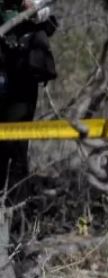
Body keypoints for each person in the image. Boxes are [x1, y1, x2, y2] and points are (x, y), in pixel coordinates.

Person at [0, 0, 56, 198]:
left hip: (21, 69)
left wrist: (31, 7)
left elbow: (46, 12)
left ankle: (13, 213)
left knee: (16, 145)